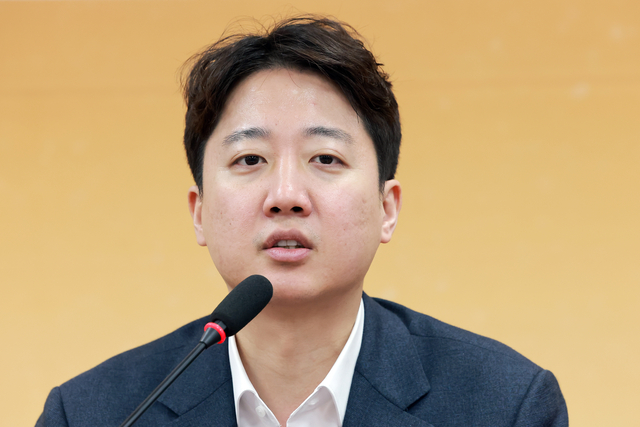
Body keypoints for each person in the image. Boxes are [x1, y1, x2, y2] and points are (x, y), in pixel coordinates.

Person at [36, 16, 568, 427]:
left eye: (325, 159)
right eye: (250, 160)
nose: (286, 196)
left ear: (387, 208)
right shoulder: (93, 413)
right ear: (199, 212)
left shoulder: (504, 404)